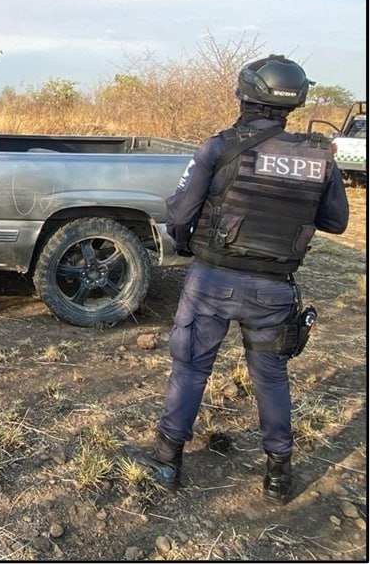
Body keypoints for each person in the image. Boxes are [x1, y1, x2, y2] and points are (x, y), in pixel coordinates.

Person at [147, 54, 350, 504]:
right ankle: (278, 475)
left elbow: (178, 213)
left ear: (244, 93)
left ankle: (167, 460)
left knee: (191, 368)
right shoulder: (319, 157)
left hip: (211, 282)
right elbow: (336, 222)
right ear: (294, 102)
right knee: (271, 377)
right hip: (274, 290)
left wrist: (186, 242)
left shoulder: (219, 147)